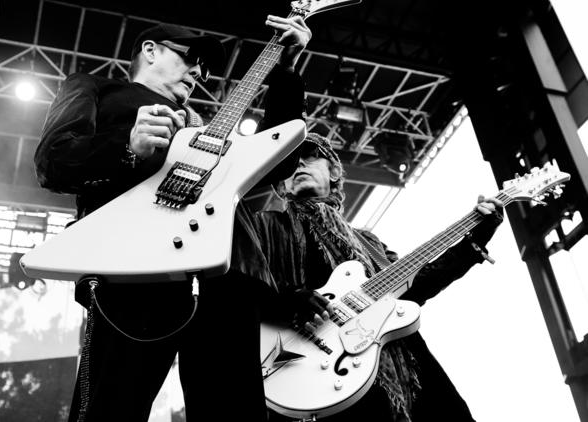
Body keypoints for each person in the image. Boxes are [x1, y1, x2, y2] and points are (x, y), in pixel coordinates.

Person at [34, 15, 312, 422]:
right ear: (150, 50)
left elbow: (279, 162)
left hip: (225, 277)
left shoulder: (204, 127)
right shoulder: (95, 88)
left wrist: (286, 71)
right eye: (191, 57)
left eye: (205, 67)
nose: (199, 72)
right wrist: (126, 146)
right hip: (131, 270)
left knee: (234, 411)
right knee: (111, 407)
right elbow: (52, 161)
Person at [256, 133, 504, 422]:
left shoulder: (367, 242)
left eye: (310, 155)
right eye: (288, 162)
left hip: (403, 366)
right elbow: (237, 291)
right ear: (279, 183)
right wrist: (288, 300)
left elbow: (415, 286)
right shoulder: (265, 226)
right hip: (312, 376)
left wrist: (474, 241)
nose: (298, 164)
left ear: (334, 171)